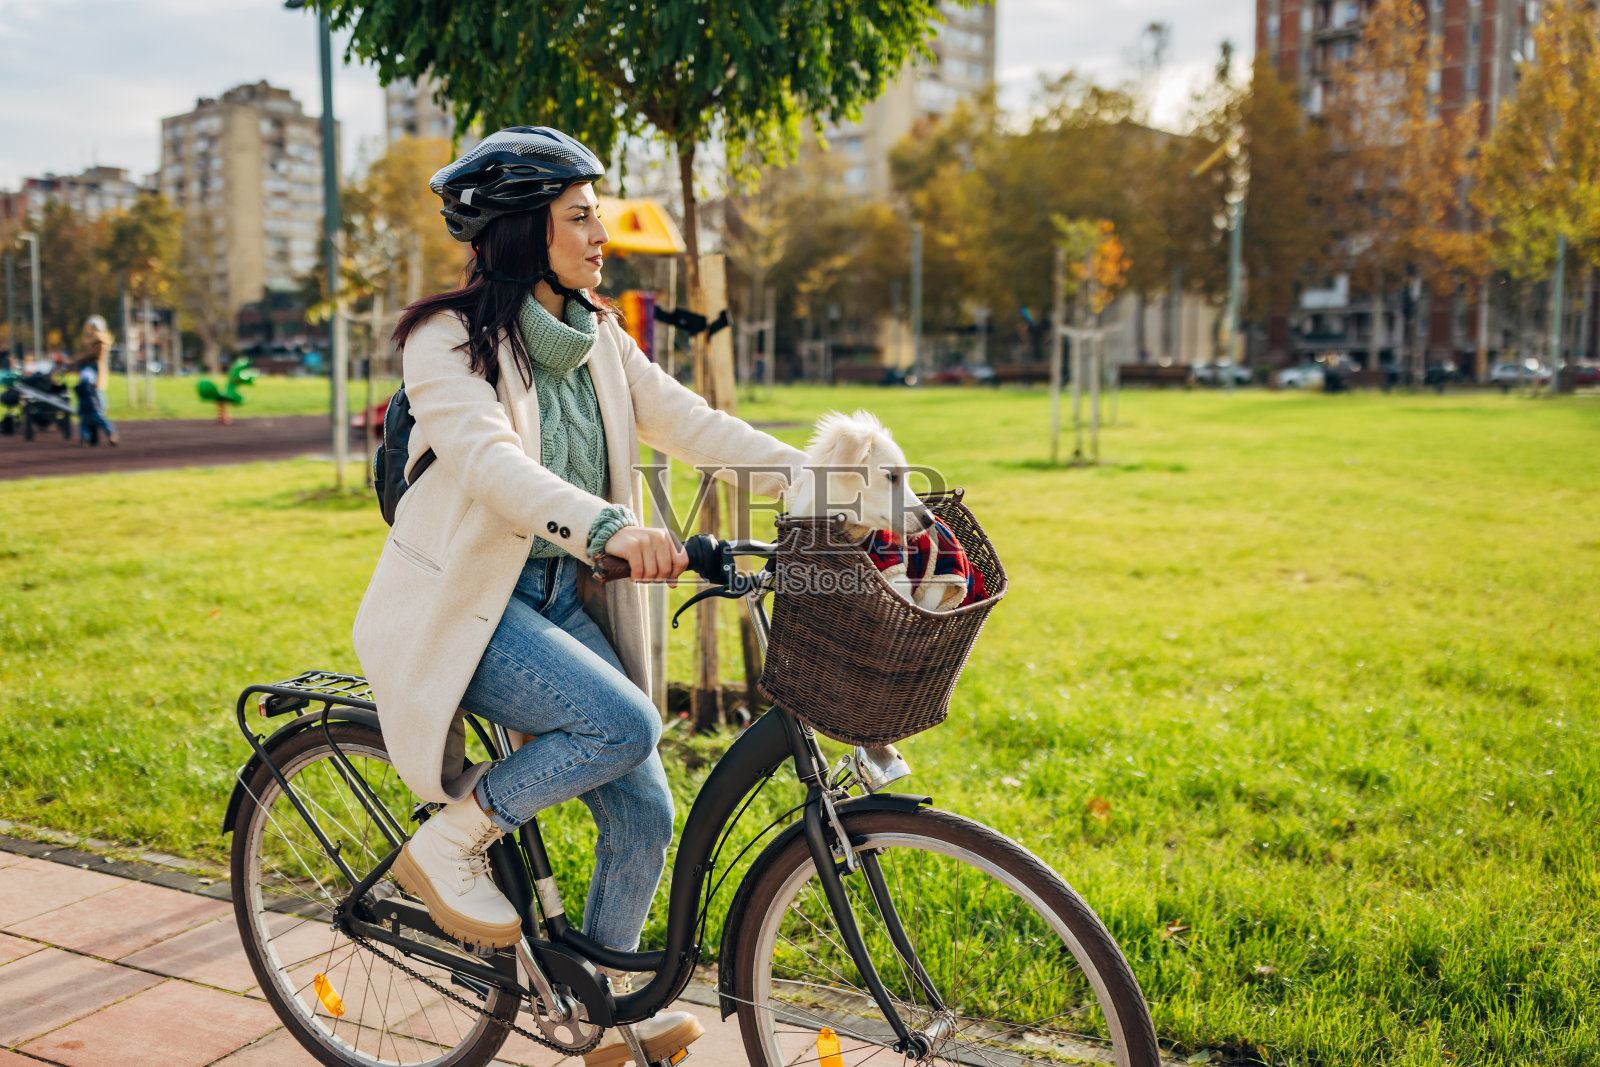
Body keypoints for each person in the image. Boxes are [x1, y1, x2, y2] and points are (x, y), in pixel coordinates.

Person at [351, 127, 805, 1066]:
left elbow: (695, 425)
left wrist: (834, 482)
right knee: (622, 726)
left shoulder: (597, 333)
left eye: (598, 214)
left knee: (644, 807)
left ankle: (593, 1010)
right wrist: (607, 527)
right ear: (527, 230)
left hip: (557, 601)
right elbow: (490, 462)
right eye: (581, 216)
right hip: (469, 608)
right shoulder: (446, 341)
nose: (601, 234)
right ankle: (450, 843)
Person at [73, 316, 118, 446]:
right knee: (87, 408)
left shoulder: (100, 341)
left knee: (97, 407)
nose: (87, 330)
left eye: (90, 327)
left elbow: (90, 355)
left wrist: (74, 359)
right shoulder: (88, 341)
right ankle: (88, 436)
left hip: (96, 378)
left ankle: (109, 433)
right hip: (87, 377)